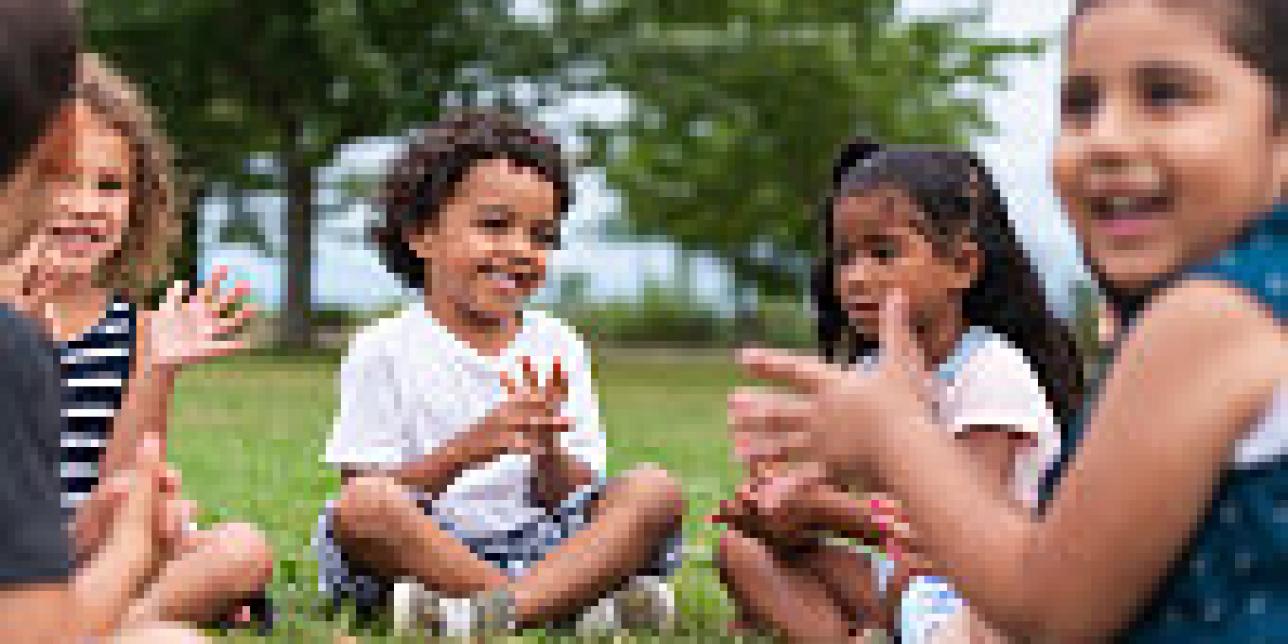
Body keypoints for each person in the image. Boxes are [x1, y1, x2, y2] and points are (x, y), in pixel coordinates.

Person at [732, 0, 1287, 640]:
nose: (1106, 138)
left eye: (1165, 95)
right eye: (1080, 105)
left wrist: (895, 433)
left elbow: (1049, 607)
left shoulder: (1211, 318)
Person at [316, 108, 685, 634]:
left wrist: (548, 453)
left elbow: (574, 494)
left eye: (541, 236)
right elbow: (369, 489)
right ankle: (565, 605)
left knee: (654, 489)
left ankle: (496, 611)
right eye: (494, 226)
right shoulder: (385, 348)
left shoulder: (558, 344)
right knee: (362, 507)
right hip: (429, 550)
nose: (518, 251)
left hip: (545, 545)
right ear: (421, 235)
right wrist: (471, 449)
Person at [717, 143, 1082, 642]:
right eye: (845, 258)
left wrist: (821, 509)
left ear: (962, 267)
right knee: (741, 550)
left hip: (984, 591)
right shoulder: (869, 375)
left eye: (884, 253)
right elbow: (840, 488)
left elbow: (970, 524)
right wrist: (778, 502)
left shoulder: (992, 371)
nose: (857, 278)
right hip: (908, 576)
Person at [7, 54, 274, 630]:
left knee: (242, 549)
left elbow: (119, 487)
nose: (86, 206)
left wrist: (158, 366)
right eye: (62, 180)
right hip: (12, 553)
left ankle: (97, 620)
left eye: (109, 186)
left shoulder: (135, 328)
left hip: (88, 552)